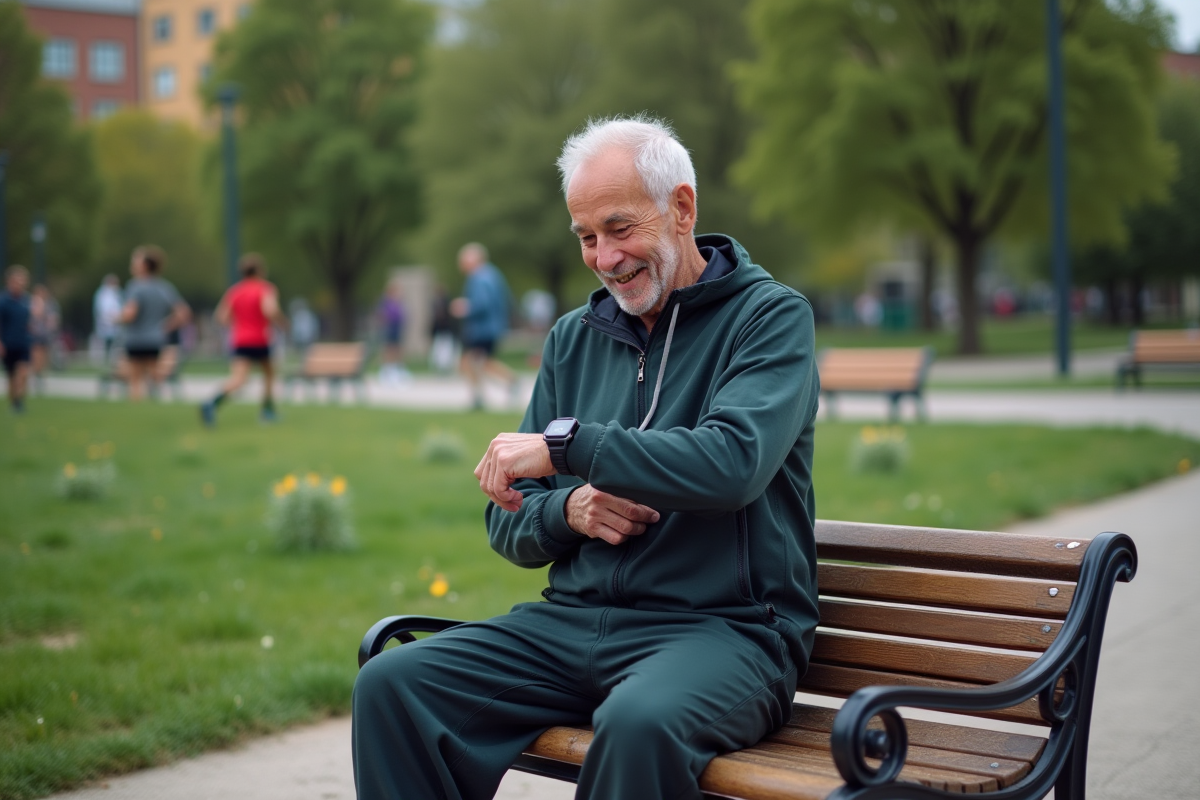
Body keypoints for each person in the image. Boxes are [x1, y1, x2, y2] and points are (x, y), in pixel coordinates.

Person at [352, 117, 821, 800]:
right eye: (586, 238)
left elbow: (734, 463)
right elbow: (507, 522)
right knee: (394, 684)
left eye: (621, 229)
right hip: (572, 625)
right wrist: (569, 511)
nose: (605, 258)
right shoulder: (575, 338)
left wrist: (570, 448)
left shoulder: (769, 318)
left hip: (727, 635)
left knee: (638, 724)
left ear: (682, 209)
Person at [201, 254, 288, 426]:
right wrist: (282, 322)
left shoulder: (235, 291)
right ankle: (267, 412)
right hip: (260, 339)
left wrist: (240, 322)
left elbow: (221, 317)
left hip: (240, 339)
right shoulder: (265, 288)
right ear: (260, 270)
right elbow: (269, 310)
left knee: (239, 379)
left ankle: (212, 402)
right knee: (270, 374)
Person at [117, 245, 191, 402]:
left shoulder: (136, 286)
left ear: (144, 265)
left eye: (135, 261)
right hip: (155, 338)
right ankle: (158, 408)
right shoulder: (164, 287)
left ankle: (137, 411)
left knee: (135, 379)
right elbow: (183, 313)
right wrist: (164, 326)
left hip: (136, 338)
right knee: (155, 378)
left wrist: (116, 318)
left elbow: (130, 314)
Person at [450, 242, 517, 409]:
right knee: (481, 361)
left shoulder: (479, 277)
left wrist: (465, 307)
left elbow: (483, 303)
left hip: (482, 329)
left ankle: (481, 395)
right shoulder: (492, 274)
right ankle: (484, 392)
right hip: (491, 326)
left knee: (468, 362)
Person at [0, 266, 35, 413]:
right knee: (11, 376)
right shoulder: (3, 301)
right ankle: (15, 403)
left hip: (23, 342)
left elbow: (28, 321)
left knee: (23, 371)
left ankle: (19, 401)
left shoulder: (26, 300)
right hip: (8, 342)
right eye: (17, 281)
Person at [376, 279, 409, 384]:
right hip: (389, 328)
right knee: (389, 349)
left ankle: (397, 369)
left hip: (397, 328)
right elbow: (381, 315)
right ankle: (387, 370)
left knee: (397, 349)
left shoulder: (398, 303)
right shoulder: (385, 302)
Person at [29, 284, 60, 387]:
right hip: (36, 333)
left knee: (45, 355)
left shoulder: (51, 304)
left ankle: (41, 375)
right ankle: (36, 374)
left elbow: (53, 319)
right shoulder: (32, 303)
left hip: (46, 334)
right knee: (36, 354)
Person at [93, 274, 123, 363]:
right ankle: (107, 359)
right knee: (107, 341)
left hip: (115, 321)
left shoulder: (117, 293)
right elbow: (102, 308)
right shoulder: (102, 294)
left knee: (115, 342)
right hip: (106, 322)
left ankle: (112, 359)